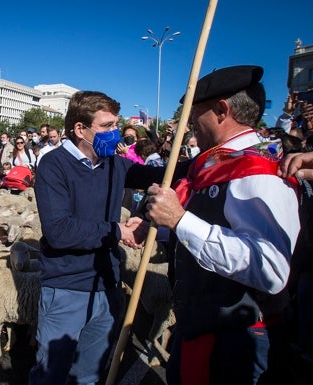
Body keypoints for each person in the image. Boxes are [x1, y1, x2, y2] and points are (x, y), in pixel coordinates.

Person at [143, 65, 300, 385]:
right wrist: (161, 227)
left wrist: (179, 219)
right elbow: (212, 223)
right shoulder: (215, 163)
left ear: (221, 110)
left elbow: (270, 268)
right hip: (202, 326)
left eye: (194, 112)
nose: (188, 124)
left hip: (237, 344)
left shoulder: (258, 167)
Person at [29, 90, 144, 385]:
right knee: (50, 375)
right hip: (67, 287)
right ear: (81, 129)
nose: (114, 132)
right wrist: (117, 231)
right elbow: (60, 231)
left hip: (107, 285)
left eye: (115, 125)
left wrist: (211, 162)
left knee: (90, 376)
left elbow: (157, 176)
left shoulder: (115, 165)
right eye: (106, 126)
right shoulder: (53, 165)